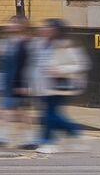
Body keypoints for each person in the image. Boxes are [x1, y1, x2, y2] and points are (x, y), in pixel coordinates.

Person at [34, 18, 89, 152]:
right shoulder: (39, 44)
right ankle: (73, 133)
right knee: (49, 113)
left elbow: (82, 64)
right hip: (42, 84)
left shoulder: (66, 45)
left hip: (60, 85)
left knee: (49, 114)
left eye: (48, 28)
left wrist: (61, 70)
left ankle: (49, 141)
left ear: (57, 30)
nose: (44, 30)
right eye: (44, 27)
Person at [0, 15, 35, 149]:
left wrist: (24, 84)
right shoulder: (10, 42)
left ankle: (29, 139)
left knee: (21, 112)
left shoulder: (26, 43)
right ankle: (2, 137)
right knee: (8, 111)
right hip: (8, 82)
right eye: (10, 23)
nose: (9, 25)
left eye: (13, 23)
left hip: (19, 83)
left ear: (21, 26)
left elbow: (27, 66)